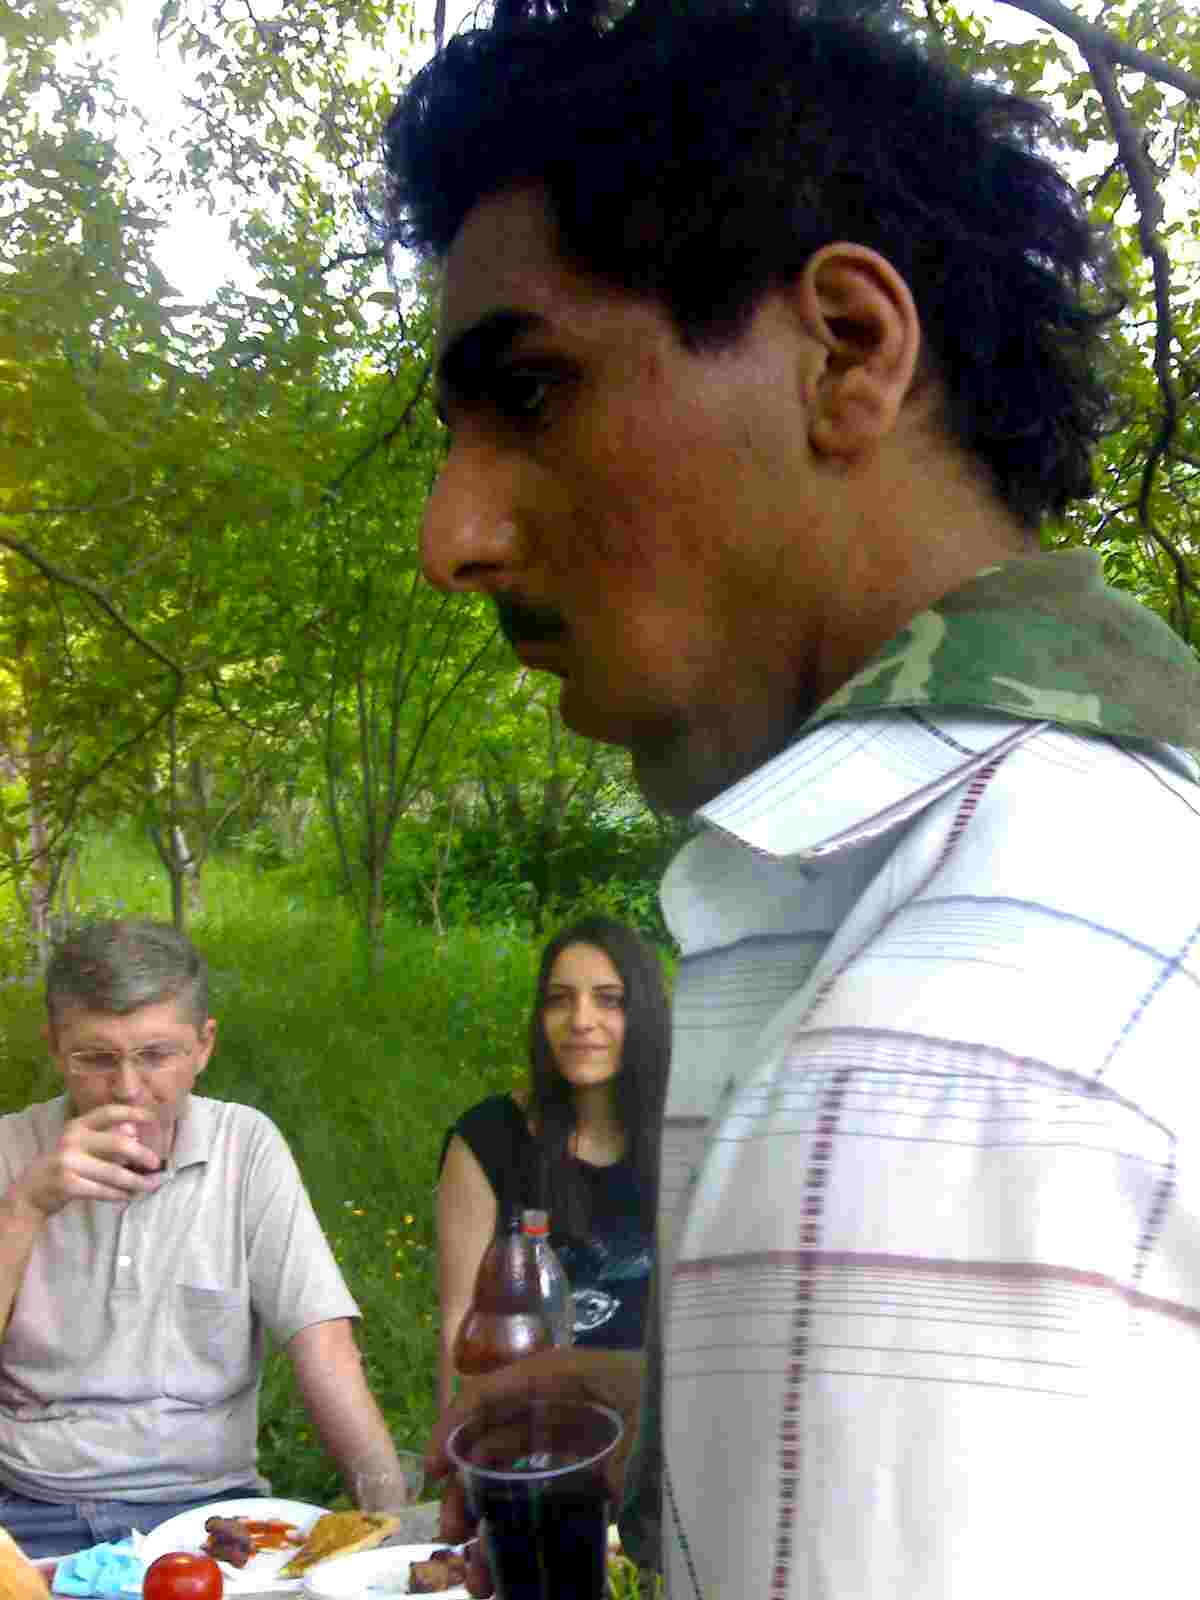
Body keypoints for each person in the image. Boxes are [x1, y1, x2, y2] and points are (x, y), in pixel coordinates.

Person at [384, 1, 1200, 1595]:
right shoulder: (1111, 842)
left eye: (531, 393)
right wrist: (700, 1410)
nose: (450, 537)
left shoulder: (941, 1040)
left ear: (847, 352)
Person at [0, 919, 405, 1561]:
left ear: (203, 1046)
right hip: (27, 1509)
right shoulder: (9, 1149)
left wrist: (391, 1519)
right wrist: (24, 1209)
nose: (128, 1088)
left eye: (155, 1055)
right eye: (96, 1059)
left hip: (206, 1516)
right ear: (54, 1048)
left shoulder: (245, 1147)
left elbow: (322, 1344)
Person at [437, 916, 670, 1410]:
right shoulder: (486, 1141)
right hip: (522, 1429)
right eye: (559, 999)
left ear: (645, 1014)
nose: (580, 1020)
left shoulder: (687, 1141)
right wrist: (462, 1445)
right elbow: (459, 1334)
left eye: (609, 999)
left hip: (655, 1430)